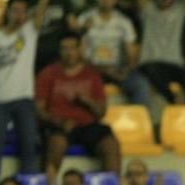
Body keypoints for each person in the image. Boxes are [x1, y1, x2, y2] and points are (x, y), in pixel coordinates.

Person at [0, 0, 51, 180]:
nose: (19, 15)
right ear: (7, 12)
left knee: (29, 148)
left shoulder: (30, 31)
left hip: (24, 99)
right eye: (15, 11)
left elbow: (42, 8)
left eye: (23, 12)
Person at [35, 32, 122, 174]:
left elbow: (101, 112)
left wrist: (88, 101)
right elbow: (38, 110)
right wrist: (59, 122)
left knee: (110, 145)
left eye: (72, 48)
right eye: (64, 48)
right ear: (59, 50)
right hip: (59, 125)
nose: (69, 53)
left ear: (80, 49)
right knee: (56, 143)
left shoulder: (92, 74)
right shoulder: (48, 73)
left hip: (88, 125)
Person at [77, 0, 150, 105]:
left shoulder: (124, 22)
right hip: (92, 68)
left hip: (116, 69)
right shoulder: (84, 19)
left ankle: (138, 118)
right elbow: (78, 52)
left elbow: (131, 54)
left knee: (140, 84)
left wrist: (125, 69)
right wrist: (100, 68)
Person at [137, 0, 185, 104]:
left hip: (174, 63)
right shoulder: (147, 9)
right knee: (151, 70)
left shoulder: (180, 10)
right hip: (151, 62)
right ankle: (173, 100)